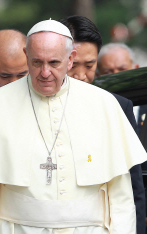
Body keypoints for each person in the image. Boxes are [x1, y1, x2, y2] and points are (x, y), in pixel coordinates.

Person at [0, 19, 147, 234]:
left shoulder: (104, 104)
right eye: (36, 62)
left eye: (54, 63)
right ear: (26, 56)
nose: (45, 73)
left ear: (70, 59)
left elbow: (122, 199)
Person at [60, 15, 146, 234]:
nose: (80, 75)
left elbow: (133, 186)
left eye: (89, 65)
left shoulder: (118, 106)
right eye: (72, 65)